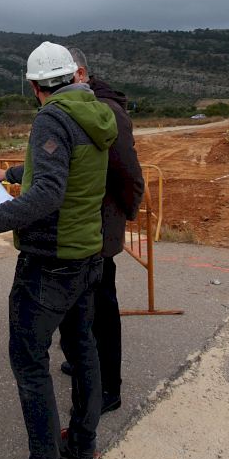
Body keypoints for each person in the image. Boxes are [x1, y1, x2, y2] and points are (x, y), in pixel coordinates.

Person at [0, 41, 117, 459]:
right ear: (74, 75)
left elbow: (47, 192)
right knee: (83, 351)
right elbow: (64, 169)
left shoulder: (52, 118)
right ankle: (81, 445)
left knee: (29, 362)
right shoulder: (96, 114)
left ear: (33, 86)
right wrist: (9, 172)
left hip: (49, 262)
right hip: (87, 256)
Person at [61, 47, 145, 414]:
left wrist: (126, 212)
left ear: (79, 74)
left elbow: (128, 170)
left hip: (100, 222)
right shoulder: (78, 105)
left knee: (102, 307)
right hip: (84, 223)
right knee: (81, 302)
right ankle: (82, 361)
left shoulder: (107, 112)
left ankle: (109, 386)